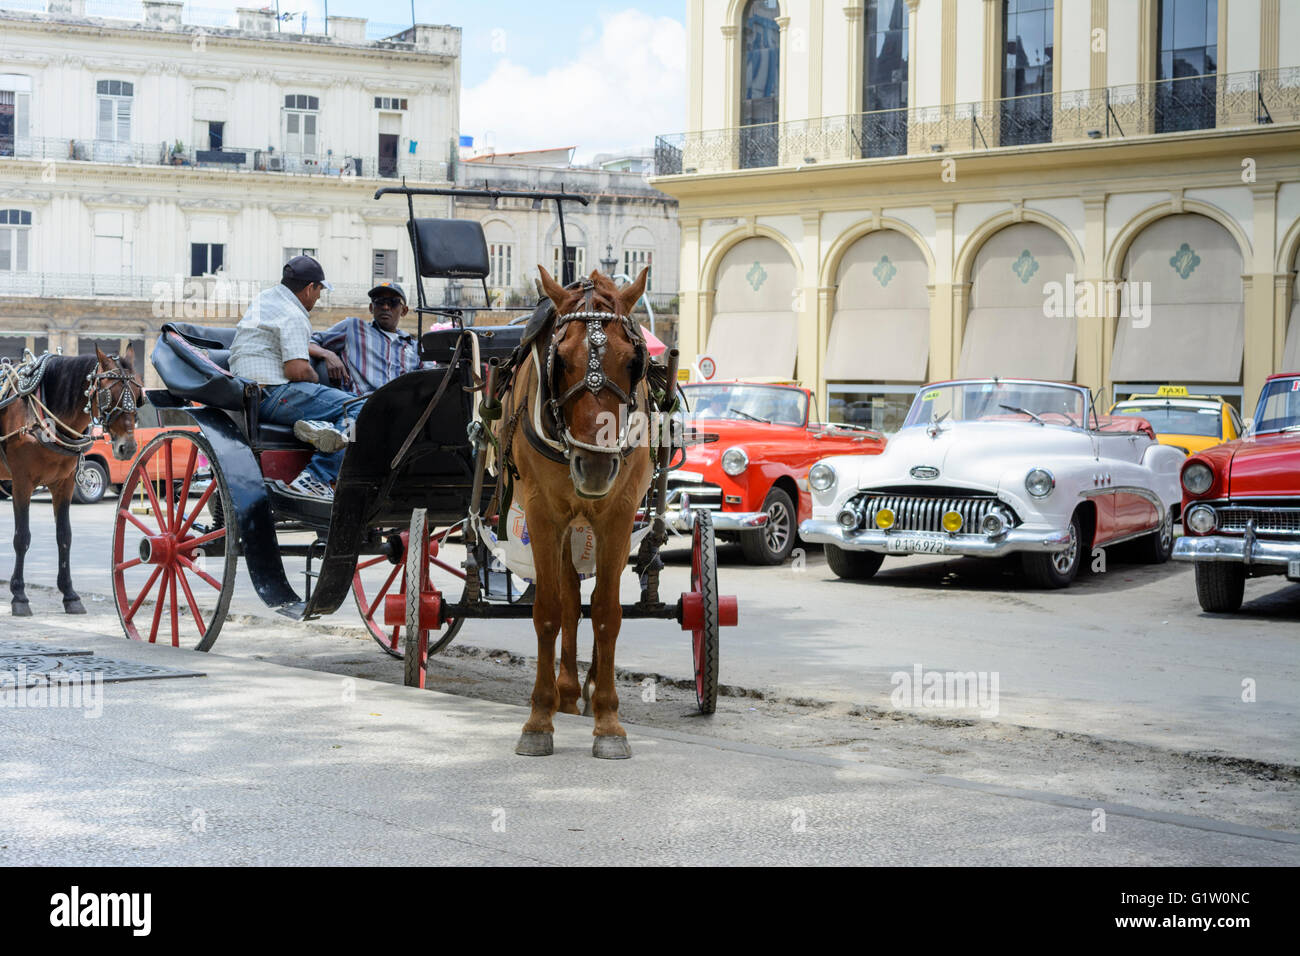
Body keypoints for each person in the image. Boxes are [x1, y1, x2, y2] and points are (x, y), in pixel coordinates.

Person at [229, 255, 354, 503]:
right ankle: (317, 478)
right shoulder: (294, 315)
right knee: (359, 407)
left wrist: (322, 354)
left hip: (249, 392)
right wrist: (315, 377)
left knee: (341, 407)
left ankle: (321, 428)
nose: (318, 298)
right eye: (319, 291)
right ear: (310, 288)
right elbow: (296, 370)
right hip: (274, 394)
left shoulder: (267, 300)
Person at [310, 281, 421, 396]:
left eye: (393, 302)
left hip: (405, 408)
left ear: (404, 311)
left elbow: (431, 376)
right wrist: (328, 354)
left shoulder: (414, 346)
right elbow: (308, 342)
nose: (385, 307)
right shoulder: (353, 328)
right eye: (379, 302)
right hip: (363, 405)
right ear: (371, 308)